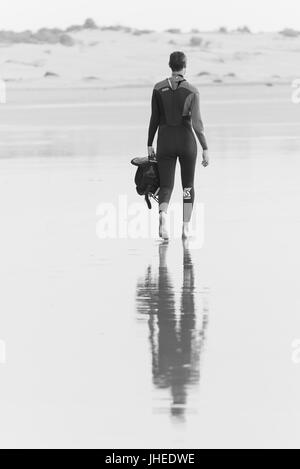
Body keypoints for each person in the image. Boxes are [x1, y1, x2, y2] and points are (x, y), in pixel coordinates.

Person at [147, 51, 209, 240]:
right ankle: (185, 227)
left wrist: (149, 144)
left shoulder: (158, 88)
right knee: (187, 186)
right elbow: (197, 124)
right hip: (186, 142)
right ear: (185, 66)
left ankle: (163, 217)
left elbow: (154, 118)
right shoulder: (192, 90)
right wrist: (205, 147)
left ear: (170, 66)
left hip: (164, 141)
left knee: (166, 185)